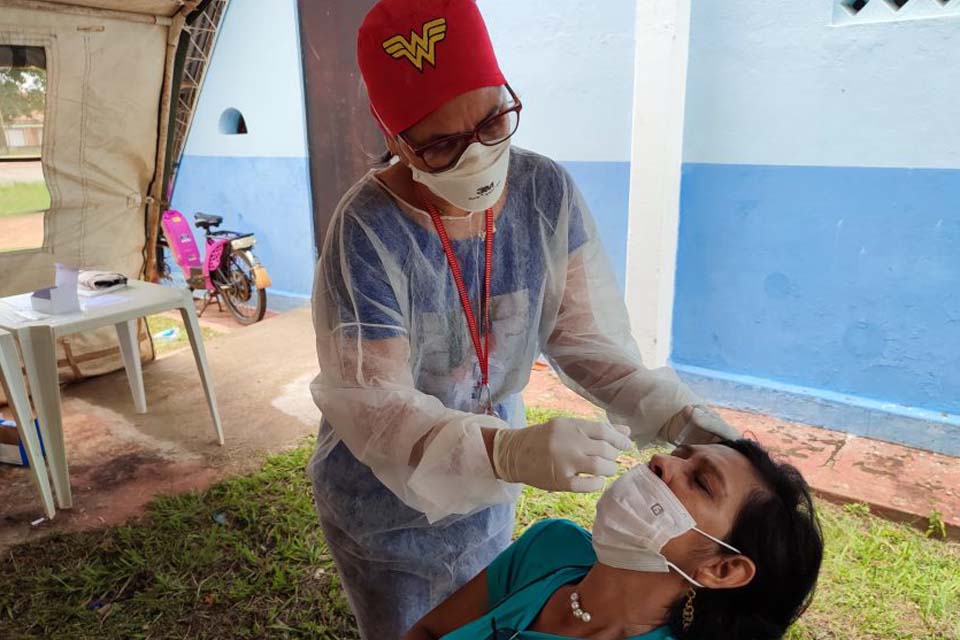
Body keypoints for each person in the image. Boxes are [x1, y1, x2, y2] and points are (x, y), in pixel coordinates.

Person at [308, 0, 740, 636]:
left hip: (491, 477)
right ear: (395, 139)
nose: (477, 156)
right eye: (440, 146)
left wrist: (674, 413)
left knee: (488, 604)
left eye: (493, 121)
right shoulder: (368, 229)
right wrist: (506, 450)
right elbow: (377, 406)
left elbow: (587, 341)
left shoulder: (544, 193)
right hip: (387, 492)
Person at [402, 440, 824, 640]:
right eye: (679, 453)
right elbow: (427, 631)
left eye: (700, 481)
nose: (662, 462)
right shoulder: (551, 546)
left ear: (721, 568)